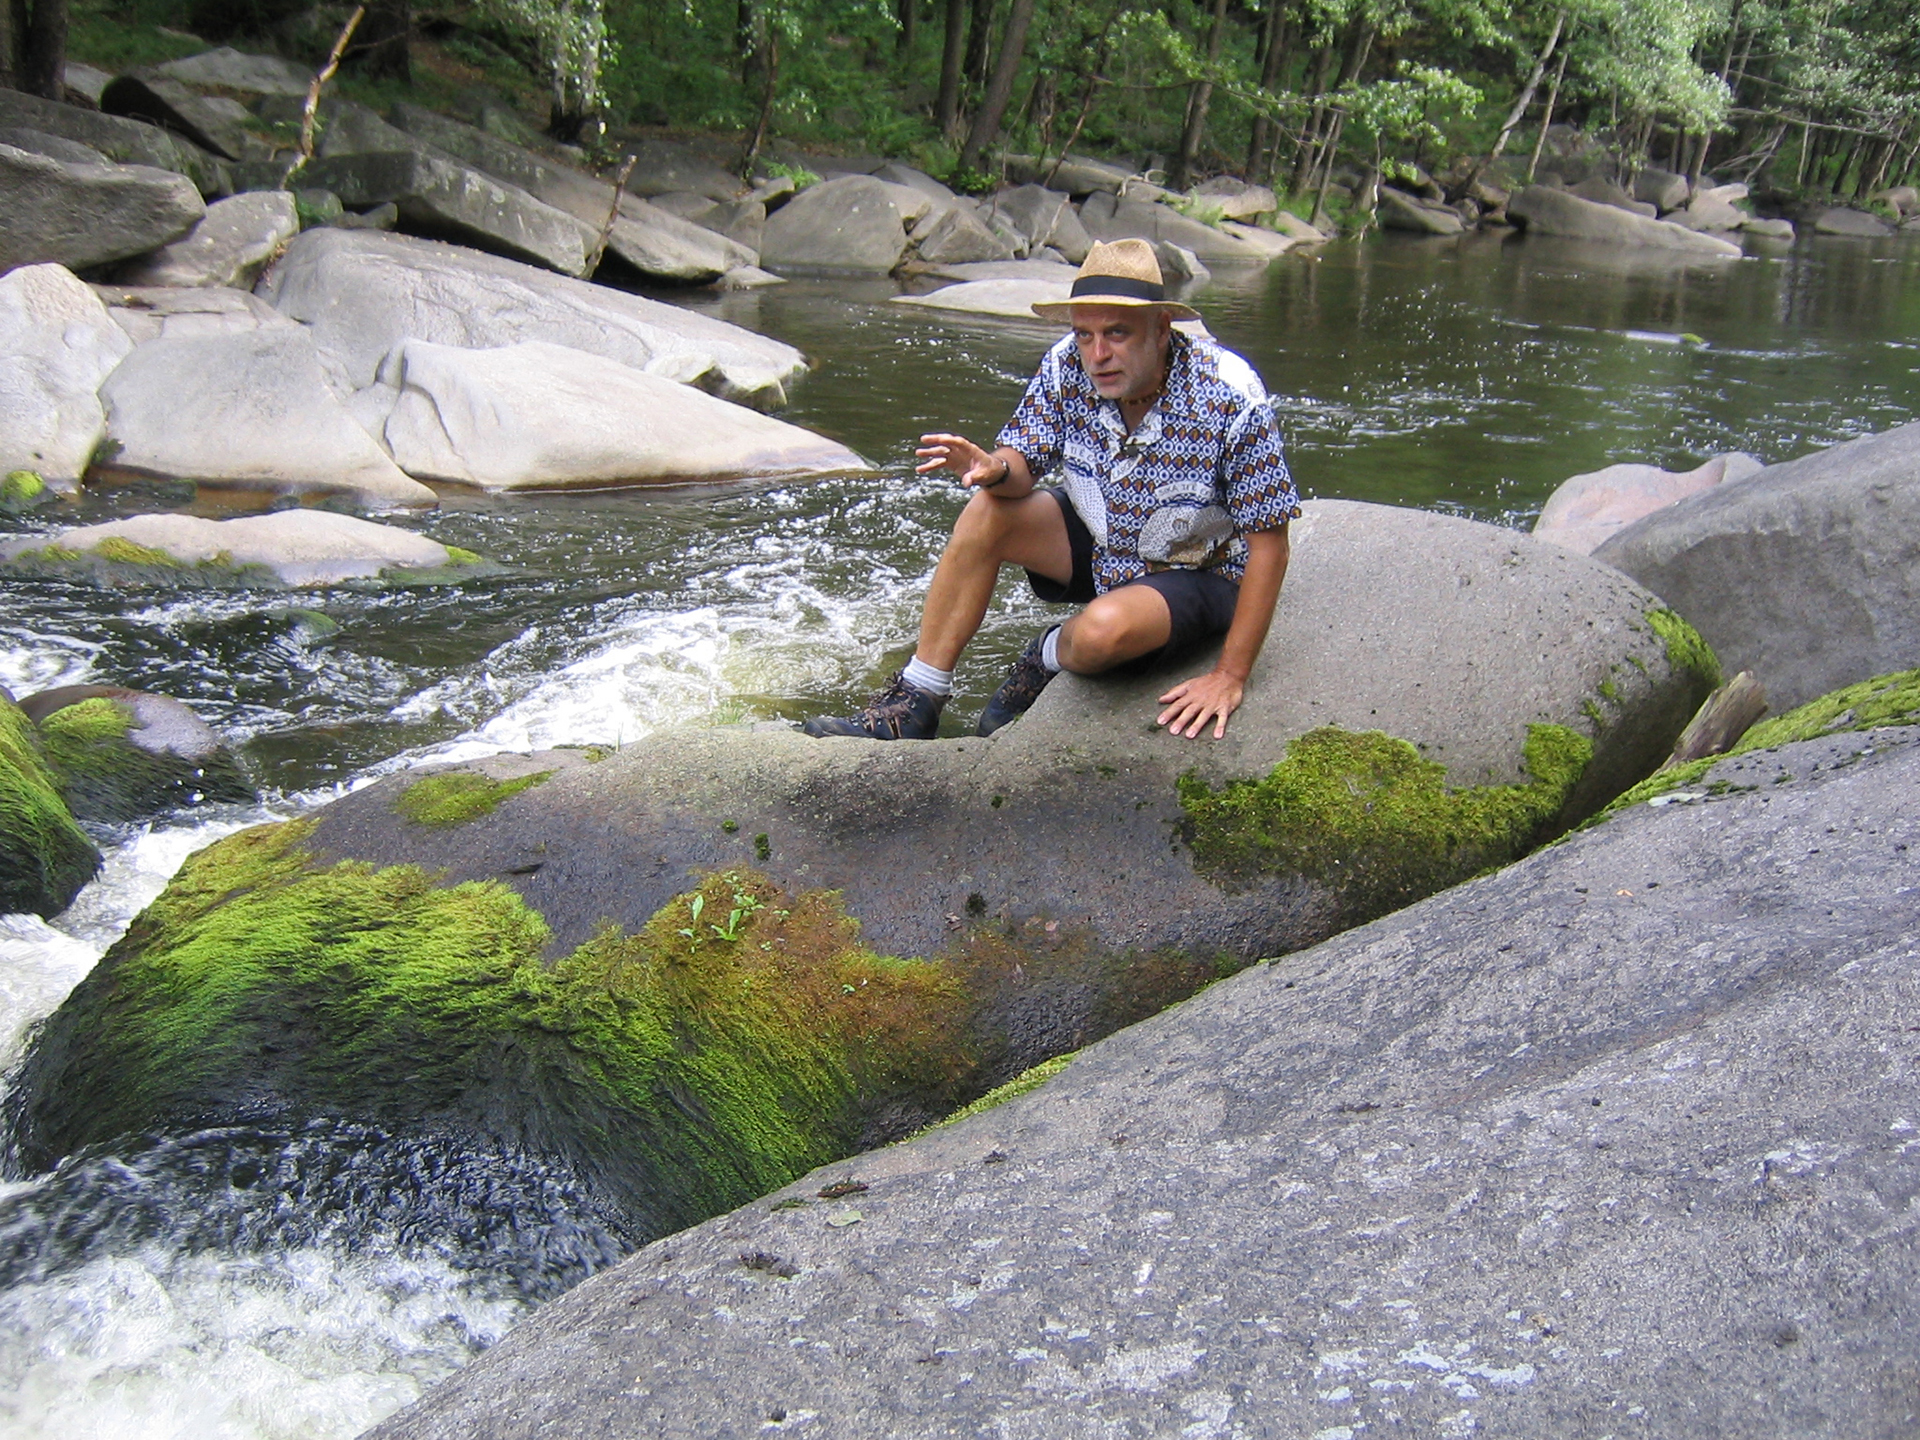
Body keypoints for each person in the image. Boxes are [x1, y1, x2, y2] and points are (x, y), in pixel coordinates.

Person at [803, 237, 1300, 742]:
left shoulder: (1231, 395)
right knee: (987, 510)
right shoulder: (1067, 364)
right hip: (1104, 543)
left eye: (1116, 333)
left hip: (1197, 569)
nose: (1097, 354)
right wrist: (993, 467)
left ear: (1161, 329)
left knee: (1102, 632)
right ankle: (916, 700)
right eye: (1084, 335)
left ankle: (1045, 652)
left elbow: (1270, 547)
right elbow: (1024, 461)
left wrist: (1229, 675)